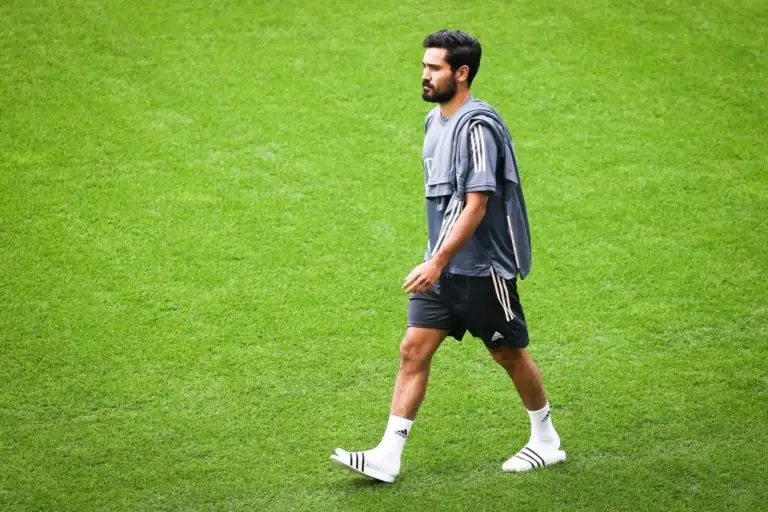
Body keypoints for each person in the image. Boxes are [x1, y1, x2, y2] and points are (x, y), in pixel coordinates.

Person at [331, 29, 565, 483]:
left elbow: (476, 205)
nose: (424, 74)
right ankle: (387, 455)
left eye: (434, 68)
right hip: (441, 268)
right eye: (424, 65)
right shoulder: (433, 121)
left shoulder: (477, 128)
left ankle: (546, 440)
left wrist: (436, 262)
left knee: (508, 354)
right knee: (412, 350)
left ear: (461, 73)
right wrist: (436, 262)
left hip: (481, 270)